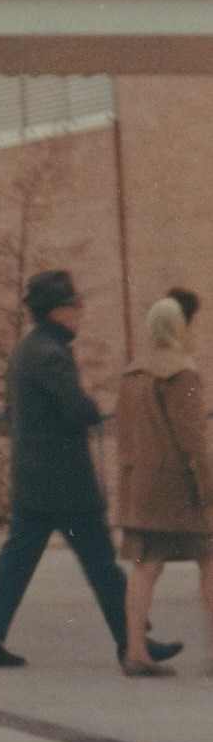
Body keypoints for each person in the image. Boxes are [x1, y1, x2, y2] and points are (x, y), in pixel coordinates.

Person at [0, 267, 181, 673]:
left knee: (17, 563)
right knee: (101, 564)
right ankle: (133, 642)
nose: (80, 312)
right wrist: (92, 408)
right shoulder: (52, 355)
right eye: (74, 305)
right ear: (57, 311)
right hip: (65, 483)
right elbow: (78, 409)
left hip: (32, 479)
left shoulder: (26, 350)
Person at [115, 289, 211, 675]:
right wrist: (208, 485)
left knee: (145, 567)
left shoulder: (132, 373)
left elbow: (125, 433)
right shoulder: (182, 373)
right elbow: (193, 440)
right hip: (179, 488)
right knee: (209, 560)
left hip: (142, 485)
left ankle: (136, 650)